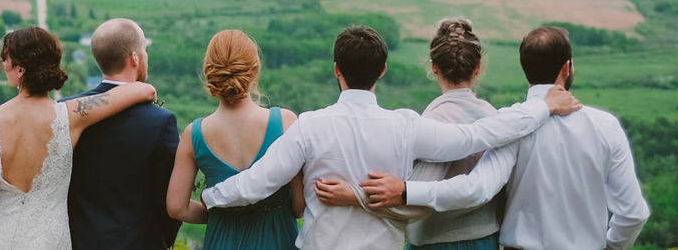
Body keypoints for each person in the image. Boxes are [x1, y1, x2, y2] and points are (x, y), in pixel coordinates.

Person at [200, 25, 579, 250]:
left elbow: (254, 185)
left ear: (336, 71)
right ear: (382, 71)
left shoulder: (310, 127)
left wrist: (210, 197)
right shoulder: (405, 126)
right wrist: (541, 107)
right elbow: (476, 135)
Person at [366, 24, 651, 250]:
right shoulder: (606, 126)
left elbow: (476, 189)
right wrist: (609, 246)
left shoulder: (510, 127)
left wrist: (406, 190)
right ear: (567, 68)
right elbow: (634, 214)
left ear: (525, 70)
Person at [314, 18, 501, 250]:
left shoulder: (434, 122)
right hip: (487, 240)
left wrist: (355, 195)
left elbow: (411, 199)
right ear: (478, 66)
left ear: (434, 66)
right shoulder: (495, 120)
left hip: (438, 243)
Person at [0, 25, 157, 250]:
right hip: (48, 239)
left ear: (20, 70)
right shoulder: (71, 115)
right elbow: (143, 91)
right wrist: (147, 84)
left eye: (6, 59)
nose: (3, 65)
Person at [166, 29, 303, 250]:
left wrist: (223, 211)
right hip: (278, 239)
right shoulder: (286, 123)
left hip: (222, 240)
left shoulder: (195, 134)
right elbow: (299, 206)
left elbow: (176, 208)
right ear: (255, 70)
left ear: (210, 72)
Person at [66, 18, 182, 250]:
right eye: (144, 51)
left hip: (77, 242)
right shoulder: (161, 121)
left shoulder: (66, 110)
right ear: (135, 58)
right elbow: (167, 199)